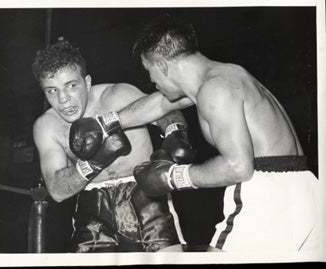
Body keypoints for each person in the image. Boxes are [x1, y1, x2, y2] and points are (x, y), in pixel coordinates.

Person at [71, 14, 320, 252]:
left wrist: (172, 177)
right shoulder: (224, 76)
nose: (152, 81)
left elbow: (238, 167)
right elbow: (159, 104)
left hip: (269, 194)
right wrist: (106, 122)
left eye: (150, 71)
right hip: (305, 189)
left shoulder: (215, 89)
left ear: (161, 65)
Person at [31, 39, 195, 252]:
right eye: (52, 90)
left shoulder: (119, 95)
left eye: (71, 86)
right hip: (92, 208)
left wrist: (175, 132)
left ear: (87, 82)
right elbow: (57, 190)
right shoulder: (47, 126)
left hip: (145, 196)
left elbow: (165, 106)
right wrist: (96, 162)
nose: (63, 99)